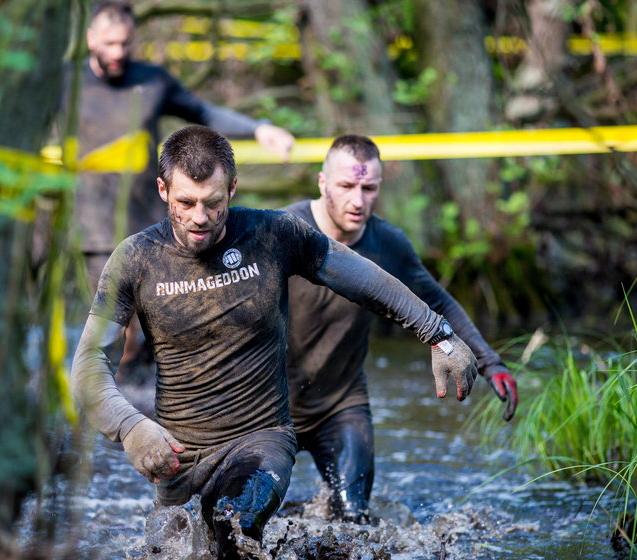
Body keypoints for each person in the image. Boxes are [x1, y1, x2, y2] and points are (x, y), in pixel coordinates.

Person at [71, 125, 479, 559]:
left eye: (213, 202)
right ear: (162, 189)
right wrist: (132, 429)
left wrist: (438, 333)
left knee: (235, 527)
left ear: (232, 187)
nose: (199, 217)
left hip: (261, 439)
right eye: (185, 202)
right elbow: (90, 363)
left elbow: (362, 279)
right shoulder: (134, 258)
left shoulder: (273, 234)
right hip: (175, 455)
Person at [283, 134, 520, 523]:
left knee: (354, 522)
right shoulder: (285, 229)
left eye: (369, 188)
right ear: (323, 182)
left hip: (341, 403)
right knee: (243, 522)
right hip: (272, 405)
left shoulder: (388, 242)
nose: (358, 200)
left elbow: (437, 302)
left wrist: (490, 361)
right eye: (346, 186)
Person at [65, 0, 295, 373]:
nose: (117, 52)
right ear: (90, 38)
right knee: (116, 331)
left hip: (151, 227)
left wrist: (259, 128)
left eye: (124, 43)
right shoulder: (67, 81)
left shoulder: (152, 80)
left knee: (167, 322)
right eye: (108, 44)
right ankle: (113, 418)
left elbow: (203, 112)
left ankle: (173, 404)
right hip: (93, 231)